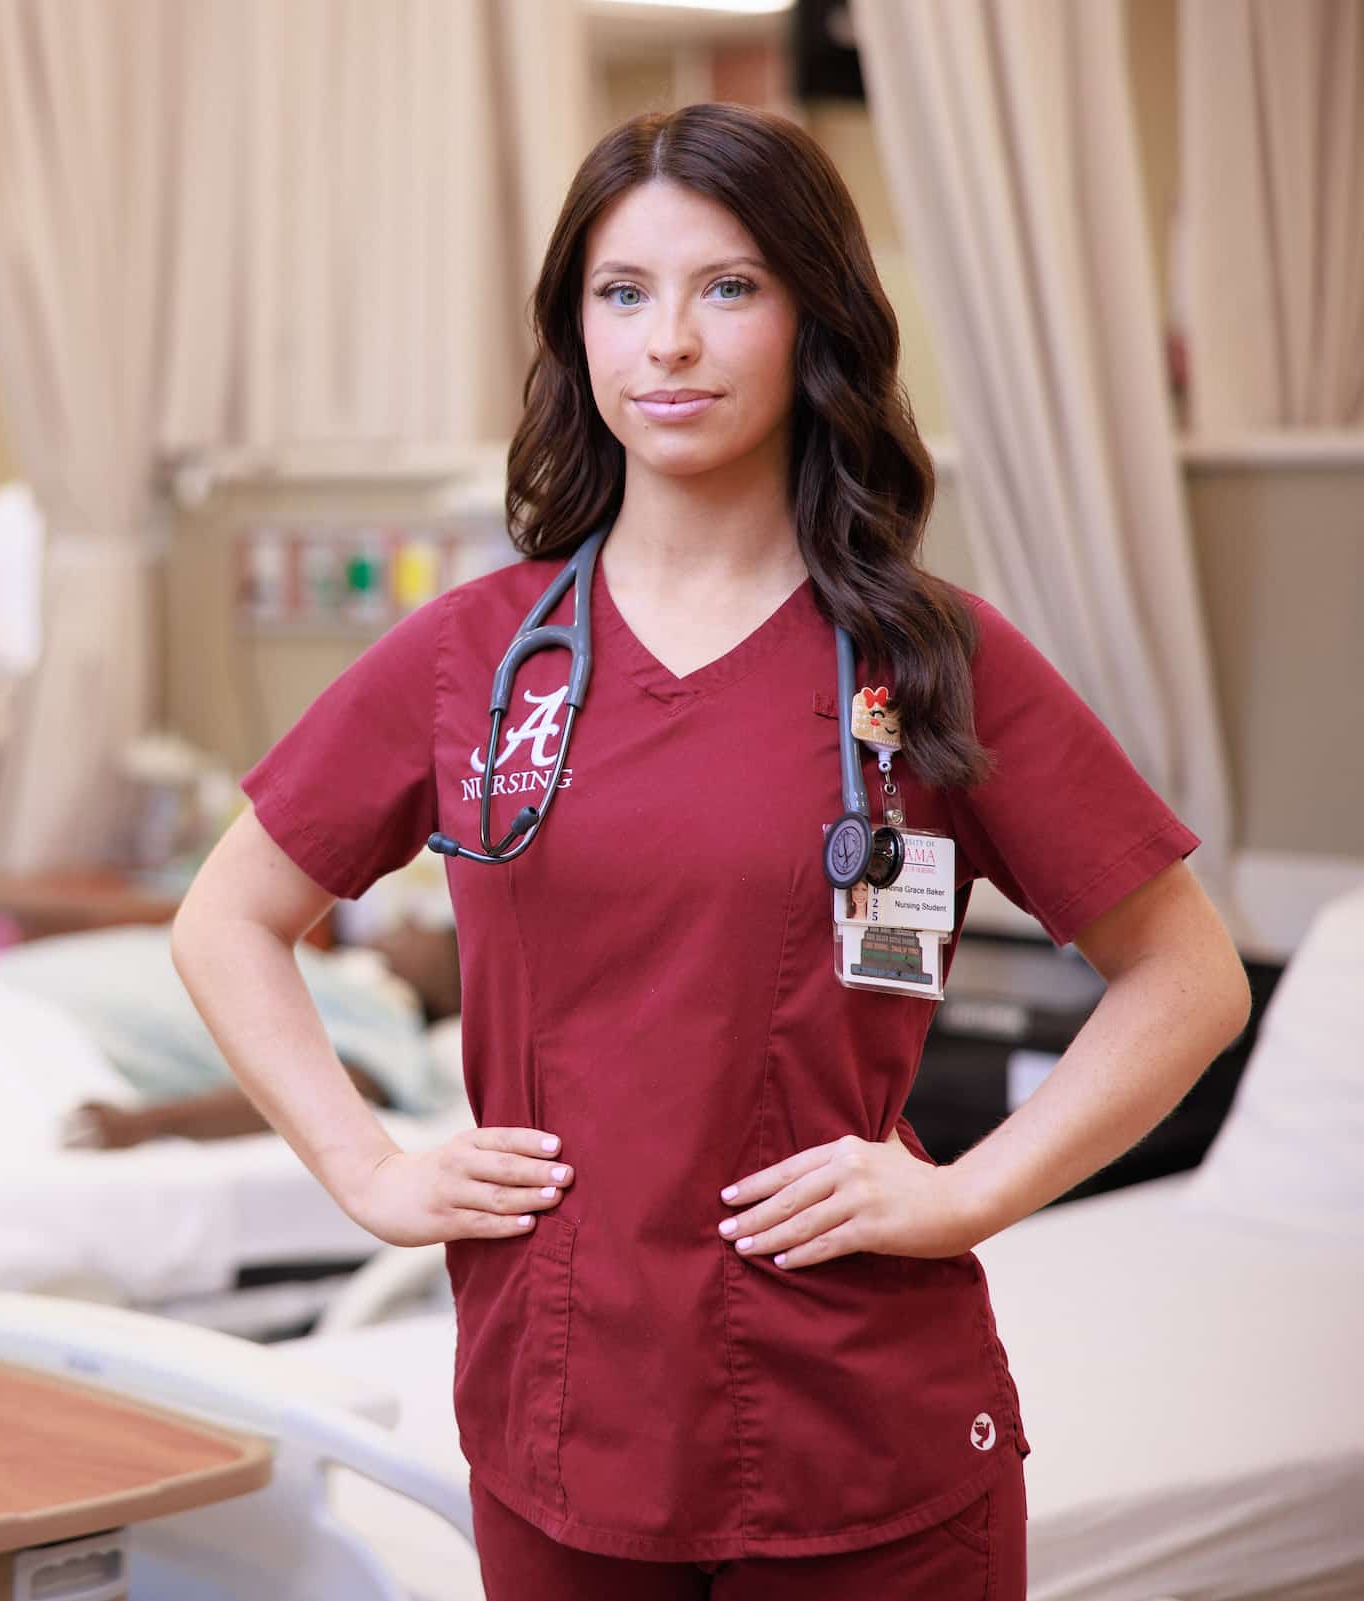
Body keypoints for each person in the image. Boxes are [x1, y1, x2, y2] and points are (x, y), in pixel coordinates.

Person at [171, 104, 1250, 1600]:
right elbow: (228, 916)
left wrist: (971, 1191)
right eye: (624, 294)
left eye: (727, 288)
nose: (667, 341)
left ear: (813, 316)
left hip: (867, 1424)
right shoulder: (476, 658)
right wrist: (364, 1166)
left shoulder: (930, 659)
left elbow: (1187, 975)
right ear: (578, 334)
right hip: (561, 1421)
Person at [0, 919, 463, 1149]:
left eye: (438, 933)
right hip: (4, 993)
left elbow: (314, 1093)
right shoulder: (333, 972)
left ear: (454, 984)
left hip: (41, 1038)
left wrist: (150, 1124)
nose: (410, 922)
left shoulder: (387, 1026)